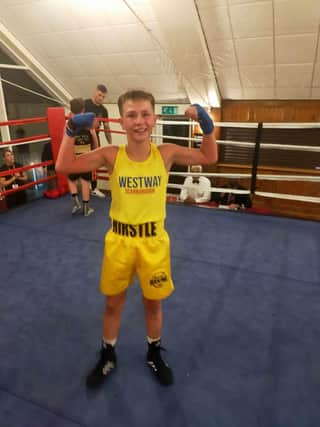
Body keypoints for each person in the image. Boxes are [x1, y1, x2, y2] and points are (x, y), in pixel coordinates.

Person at [55, 89, 217, 388]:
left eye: (145, 114)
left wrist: (207, 127)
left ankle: (154, 352)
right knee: (113, 304)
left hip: (154, 242)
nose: (139, 121)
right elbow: (63, 167)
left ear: (154, 118)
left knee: (153, 304)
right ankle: (107, 354)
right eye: (132, 115)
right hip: (119, 241)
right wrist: (69, 131)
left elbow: (209, 156)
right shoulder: (111, 155)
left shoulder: (165, 153)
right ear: (122, 121)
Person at [67, 97, 98, 216]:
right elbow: (94, 139)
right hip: (86, 156)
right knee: (85, 181)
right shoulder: (88, 123)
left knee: (71, 179)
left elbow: (67, 142)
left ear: (71, 109)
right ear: (83, 109)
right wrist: (95, 150)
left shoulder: (69, 124)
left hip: (74, 156)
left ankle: (76, 203)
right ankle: (86, 209)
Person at [84, 84, 112, 198]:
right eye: (100, 95)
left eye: (103, 97)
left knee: (96, 162)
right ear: (95, 92)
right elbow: (75, 119)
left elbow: (106, 126)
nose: (101, 98)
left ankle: (94, 188)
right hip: (83, 137)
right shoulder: (85, 104)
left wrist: (110, 142)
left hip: (96, 136)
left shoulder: (103, 110)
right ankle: (84, 186)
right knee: (83, 161)